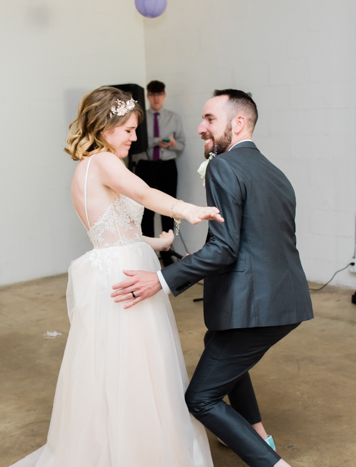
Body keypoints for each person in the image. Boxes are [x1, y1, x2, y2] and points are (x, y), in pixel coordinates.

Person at [8, 86, 220, 467]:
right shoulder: (103, 162)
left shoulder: (89, 167)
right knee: (135, 368)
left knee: (122, 367)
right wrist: (188, 210)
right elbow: (144, 192)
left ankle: (124, 444)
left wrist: (158, 242)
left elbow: (114, 232)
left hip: (121, 264)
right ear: (105, 128)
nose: (135, 137)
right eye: (128, 129)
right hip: (124, 277)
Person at [111, 90, 314, 467]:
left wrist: (162, 279)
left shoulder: (223, 166)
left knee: (200, 398)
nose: (201, 127)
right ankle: (256, 433)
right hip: (288, 296)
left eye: (209, 119)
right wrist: (201, 257)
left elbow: (226, 249)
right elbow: (254, 241)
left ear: (238, 124)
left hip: (259, 303)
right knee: (216, 341)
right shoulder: (275, 172)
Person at [133, 80, 186, 265]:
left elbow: (181, 145)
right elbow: (135, 145)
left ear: (164, 95)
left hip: (167, 166)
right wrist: (156, 140)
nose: (156, 99)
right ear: (148, 96)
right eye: (152, 95)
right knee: (146, 211)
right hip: (145, 166)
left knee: (168, 209)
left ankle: (167, 252)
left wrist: (171, 143)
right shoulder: (139, 118)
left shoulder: (174, 117)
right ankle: (147, 253)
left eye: (159, 95)